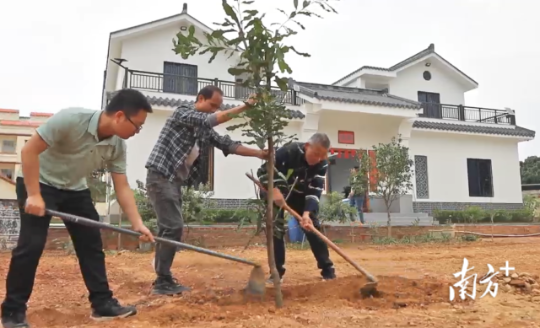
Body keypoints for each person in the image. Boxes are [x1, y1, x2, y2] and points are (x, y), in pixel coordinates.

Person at [0, 89, 156, 328]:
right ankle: (12, 312)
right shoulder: (70, 119)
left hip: (74, 189)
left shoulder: (117, 145)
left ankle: (102, 304)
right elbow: (28, 151)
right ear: (120, 116)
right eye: (138, 126)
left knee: (91, 244)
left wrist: (137, 223)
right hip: (38, 182)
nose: (137, 132)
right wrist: (34, 195)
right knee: (31, 245)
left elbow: (122, 186)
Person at [145, 85, 268, 296]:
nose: (214, 110)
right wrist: (245, 106)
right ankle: (162, 279)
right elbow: (209, 120)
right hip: (161, 176)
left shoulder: (203, 129)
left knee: (169, 228)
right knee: (173, 226)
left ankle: (162, 275)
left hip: (173, 181)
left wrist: (259, 153)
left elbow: (227, 144)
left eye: (217, 107)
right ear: (200, 98)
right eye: (212, 105)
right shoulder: (182, 113)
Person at [256, 133, 336, 283]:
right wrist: (274, 190)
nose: (318, 159)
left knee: (312, 226)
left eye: (322, 156)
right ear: (307, 147)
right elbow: (262, 172)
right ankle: (276, 273)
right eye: (315, 154)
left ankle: (327, 270)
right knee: (276, 229)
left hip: (299, 195)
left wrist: (306, 213)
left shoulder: (322, 163)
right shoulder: (287, 152)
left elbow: (315, 189)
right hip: (274, 192)